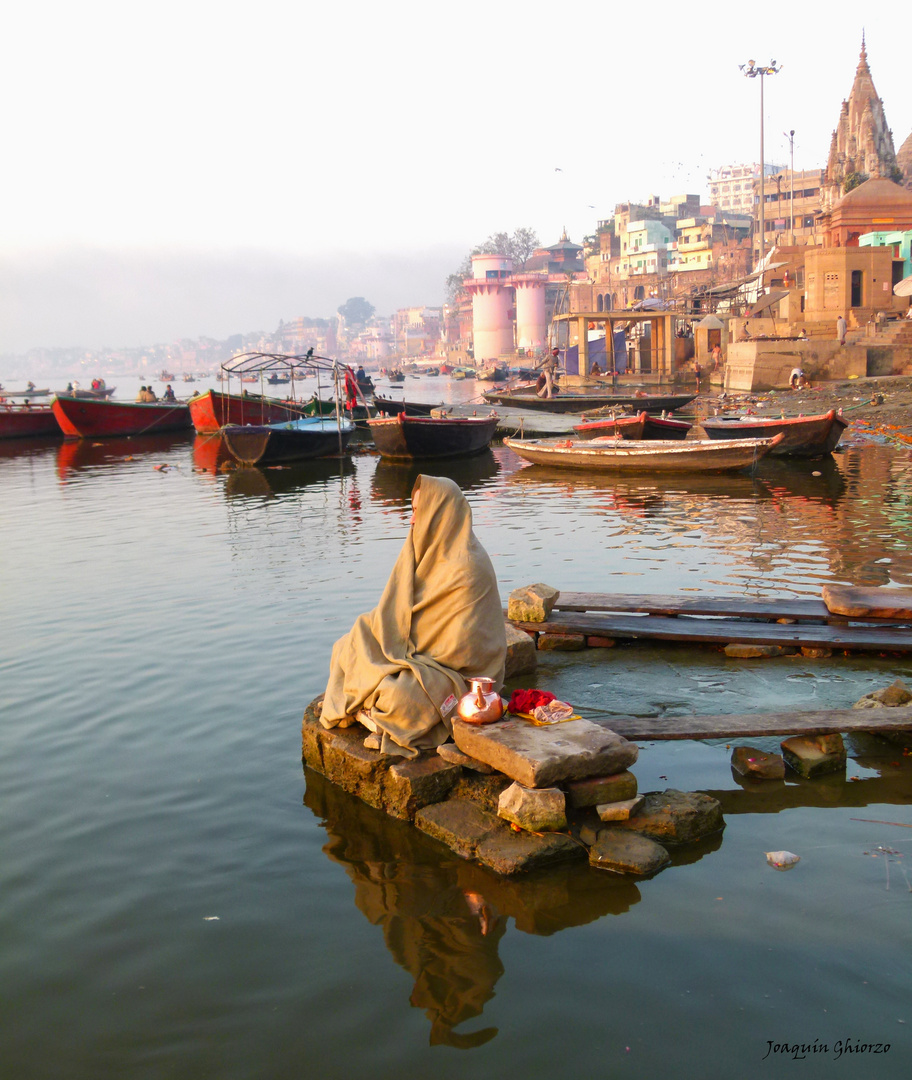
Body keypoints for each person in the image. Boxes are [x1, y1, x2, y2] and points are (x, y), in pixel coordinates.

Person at [320, 475, 506, 758]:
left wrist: (406, 658)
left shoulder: (470, 568)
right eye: (413, 510)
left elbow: (463, 651)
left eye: (418, 511)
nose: (412, 520)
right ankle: (372, 711)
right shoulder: (422, 547)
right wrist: (394, 649)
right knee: (347, 645)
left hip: (452, 674)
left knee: (401, 698)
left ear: (439, 513)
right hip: (414, 656)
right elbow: (395, 612)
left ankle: (371, 712)